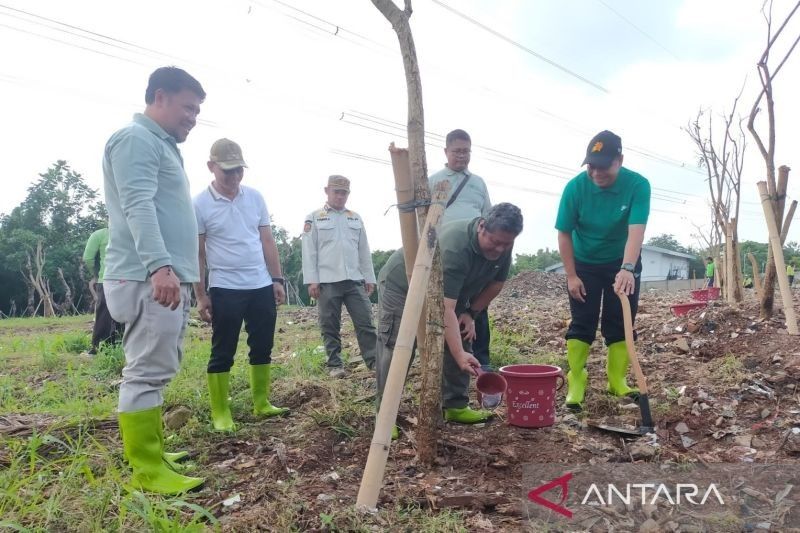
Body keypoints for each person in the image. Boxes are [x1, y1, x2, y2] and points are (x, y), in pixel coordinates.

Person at [102, 66, 206, 494]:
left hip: (161, 276)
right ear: (159, 97)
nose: (193, 118)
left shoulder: (159, 144)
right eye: (188, 107)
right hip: (147, 277)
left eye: (197, 111)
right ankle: (147, 471)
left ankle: (153, 452)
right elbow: (138, 206)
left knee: (158, 368)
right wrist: (159, 267)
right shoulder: (136, 140)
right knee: (144, 372)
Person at [375, 203, 523, 436]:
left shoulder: (503, 247)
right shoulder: (456, 247)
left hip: (451, 294)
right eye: (495, 242)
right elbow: (445, 309)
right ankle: (384, 416)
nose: (500, 249)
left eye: (507, 244)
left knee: (462, 335)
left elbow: (496, 284)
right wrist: (459, 354)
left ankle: (455, 405)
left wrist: (471, 313)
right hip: (404, 286)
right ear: (481, 227)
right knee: (399, 346)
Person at [193, 138, 289, 432]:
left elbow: (267, 241)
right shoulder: (199, 204)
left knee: (262, 345)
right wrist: (201, 295)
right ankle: (221, 412)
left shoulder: (255, 197)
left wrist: (276, 279)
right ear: (211, 167)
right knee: (223, 348)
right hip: (224, 287)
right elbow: (197, 252)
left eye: (238, 171)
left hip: (259, 283)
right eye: (227, 172)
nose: (234, 177)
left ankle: (261, 402)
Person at [555, 130, 651, 412]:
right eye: (591, 166)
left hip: (621, 260)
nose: (596, 172)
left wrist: (627, 269)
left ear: (619, 160)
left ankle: (617, 380)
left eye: (603, 166)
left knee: (620, 319)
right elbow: (564, 233)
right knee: (582, 320)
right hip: (583, 262)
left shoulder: (638, 185)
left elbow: (637, 230)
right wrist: (571, 275)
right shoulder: (575, 188)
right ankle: (576, 379)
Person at [428, 129, 494, 371]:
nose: (462, 156)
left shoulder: (478, 183)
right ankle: (452, 358)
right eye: (457, 151)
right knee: (448, 305)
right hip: (447, 253)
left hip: (477, 253)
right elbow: (423, 220)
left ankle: (482, 360)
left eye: (466, 151)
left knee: (477, 306)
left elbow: (489, 215)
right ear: (446, 151)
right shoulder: (434, 180)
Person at [302, 175, 377, 378]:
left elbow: (363, 250)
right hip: (327, 280)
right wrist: (312, 280)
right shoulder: (314, 217)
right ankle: (335, 365)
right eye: (336, 192)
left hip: (353, 280)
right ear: (327, 191)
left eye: (344, 192)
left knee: (365, 322)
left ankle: (374, 361)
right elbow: (309, 251)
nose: (340, 196)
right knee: (329, 324)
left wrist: (369, 278)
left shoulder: (355, 217)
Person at [82, 226, 123, 354]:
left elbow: (88, 259)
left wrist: (95, 274)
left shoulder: (99, 234)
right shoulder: (131, 232)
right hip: (130, 279)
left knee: (104, 313)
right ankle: (121, 344)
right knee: (125, 312)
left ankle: (97, 347)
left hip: (106, 278)